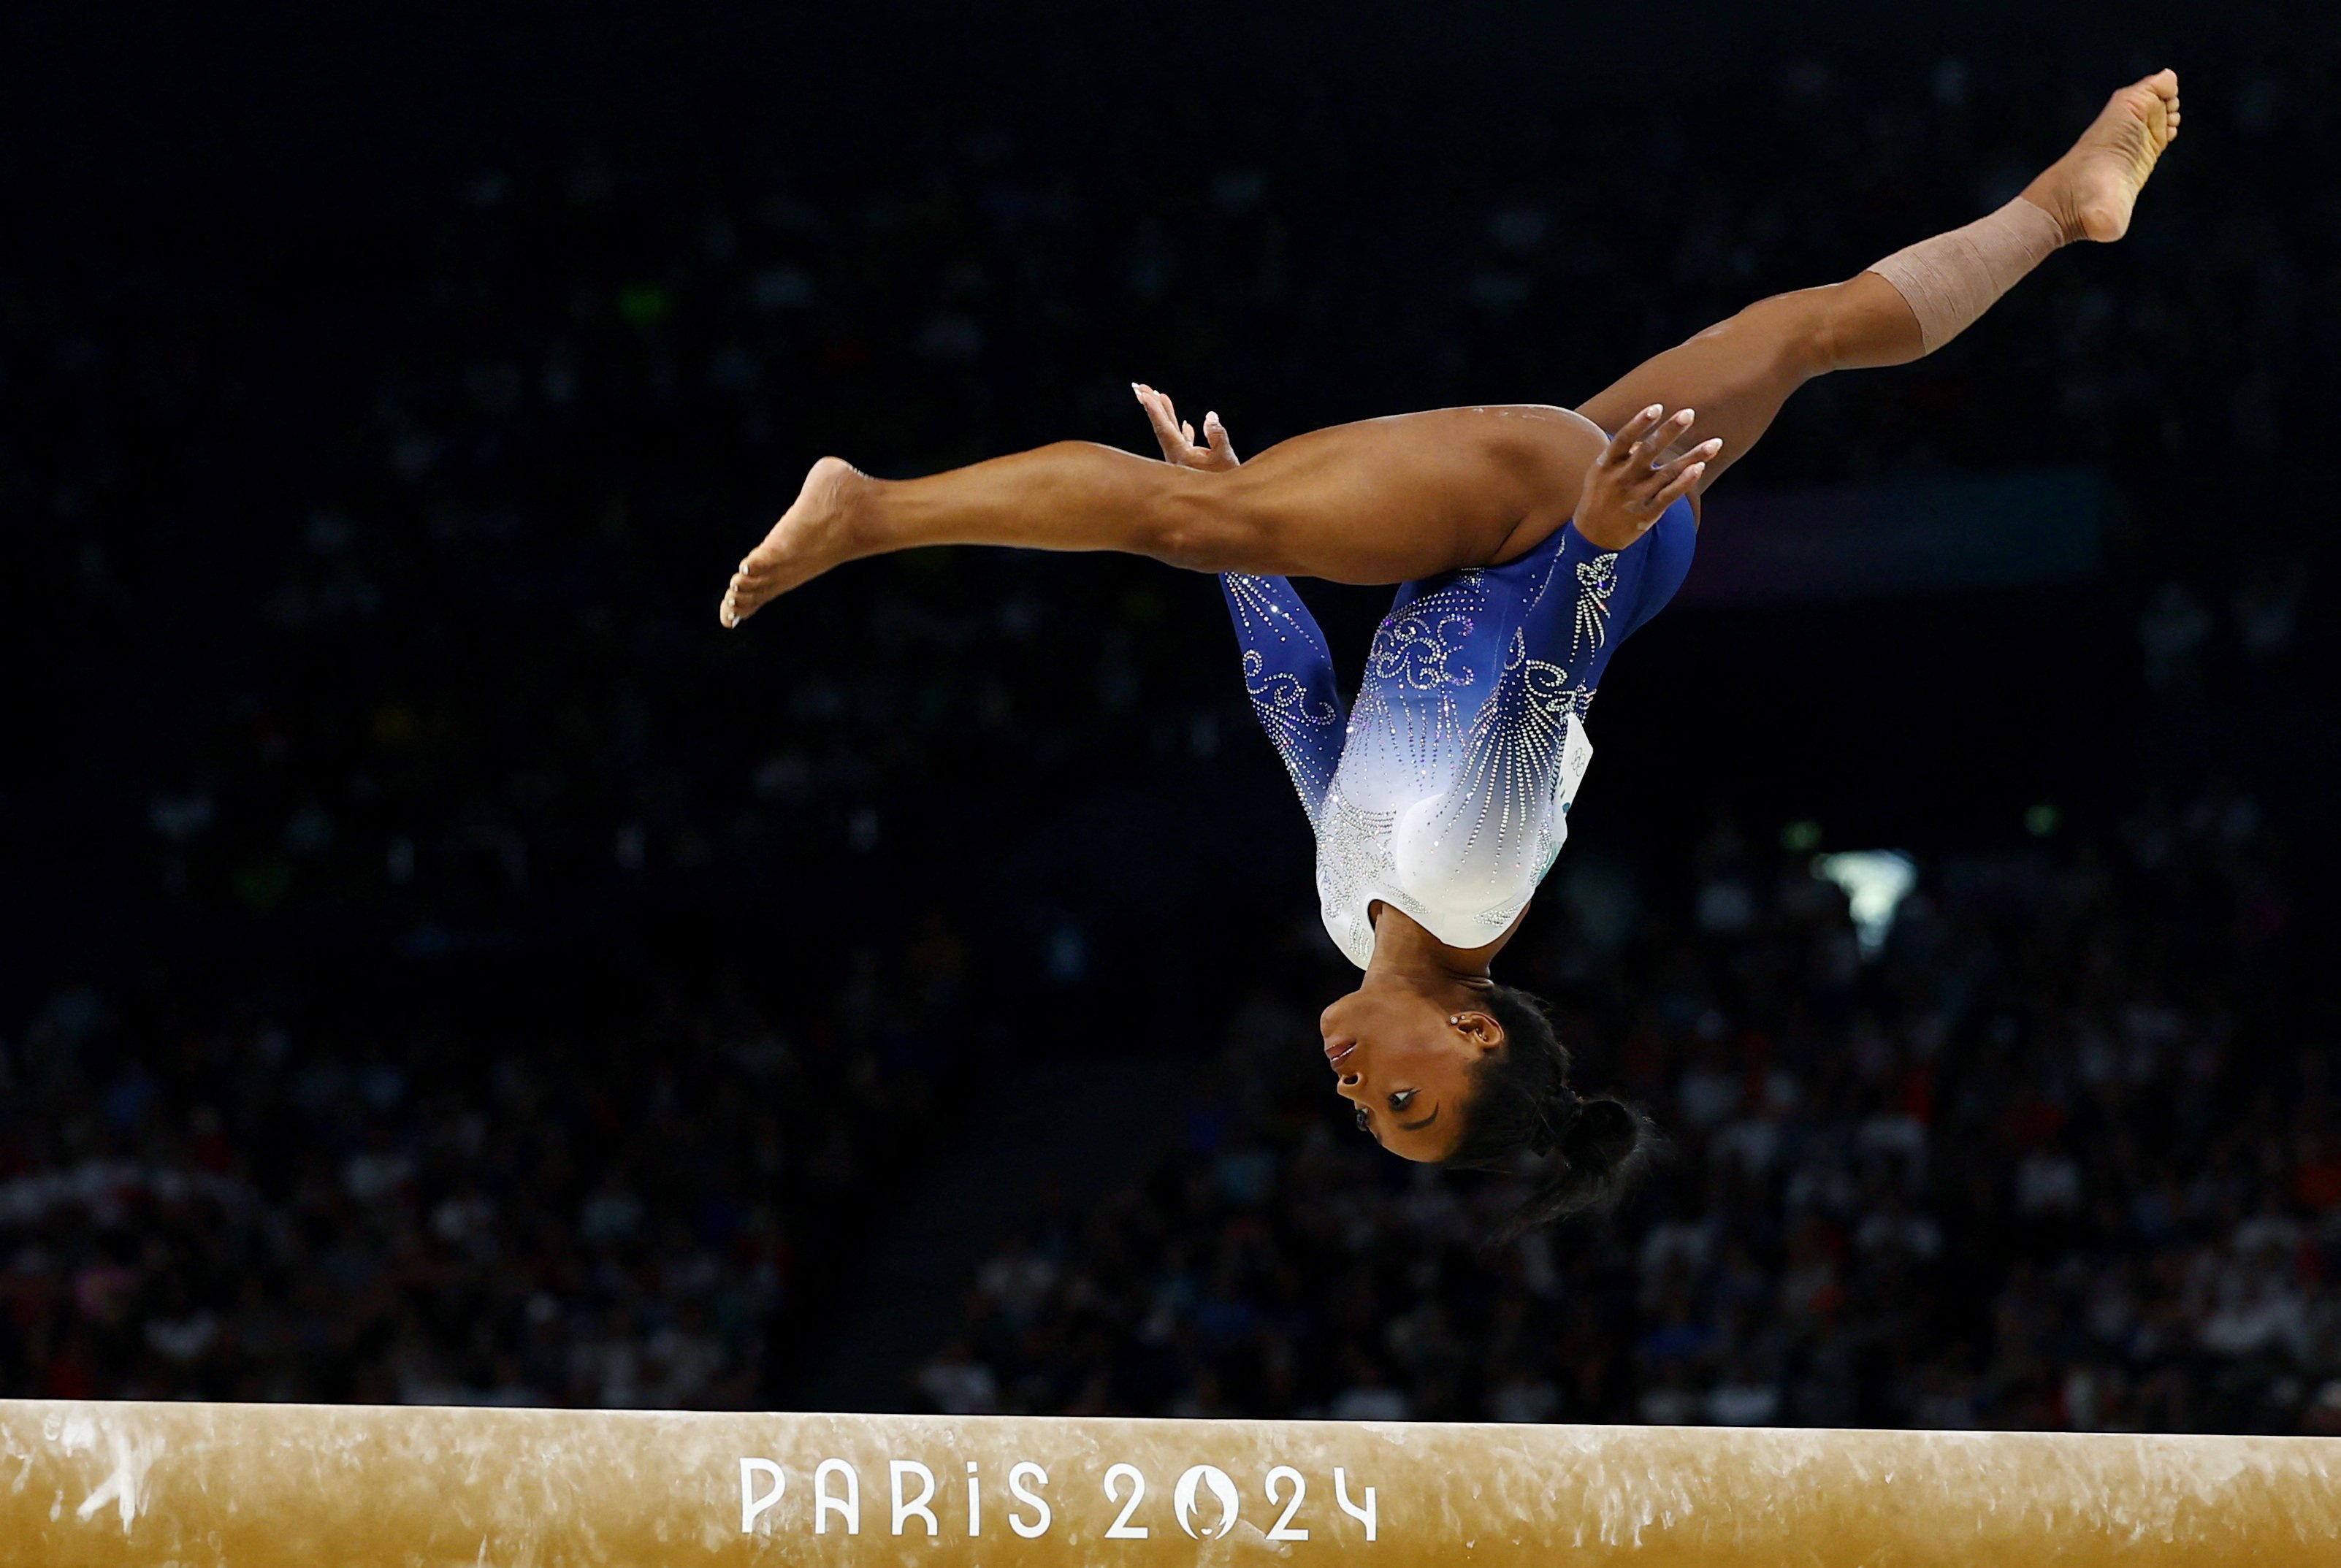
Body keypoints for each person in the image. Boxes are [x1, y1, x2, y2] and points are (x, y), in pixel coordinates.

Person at [720, 74, 2180, 1230]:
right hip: (1551, 536)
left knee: (1800, 333)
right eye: (1403, 1109)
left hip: (1559, 535)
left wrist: (1249, 539)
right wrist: (1576, 538)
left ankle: (2062, 206)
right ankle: (873, 510)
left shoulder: (1361, 914)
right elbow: (1544, 694)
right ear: (1476, 1039)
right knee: (1177, 523)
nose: (1359, 1098)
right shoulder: (1475, 882)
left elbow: (1299, 702)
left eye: (1370, 1125)